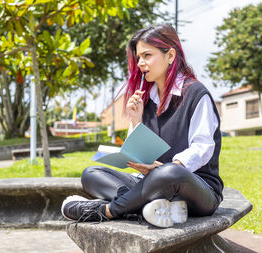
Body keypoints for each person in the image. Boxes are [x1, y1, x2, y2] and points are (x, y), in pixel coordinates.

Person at [61, 24, 223, 228]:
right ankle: (156, 208)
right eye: (138, 57)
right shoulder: (146, 99)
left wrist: (165, 168)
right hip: (152, 185)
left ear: (170, 55)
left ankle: (107, 210)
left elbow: (203, 147)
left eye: (147, 55)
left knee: (170, 173)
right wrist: (136, 120)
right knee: (91, 174)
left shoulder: (196, 94)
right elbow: (141, 153)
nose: (140, 63)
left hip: (196, 188)